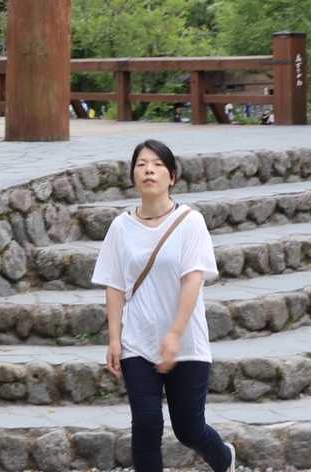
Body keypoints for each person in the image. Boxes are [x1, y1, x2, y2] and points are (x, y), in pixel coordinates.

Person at [94, 140, 235, 472]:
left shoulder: (190, 222)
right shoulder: (120, 227)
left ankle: (224, 458)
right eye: (141, 164)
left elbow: (193, 280)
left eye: (157, 165)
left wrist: (174, 334)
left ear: (171, 176)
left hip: (185, 343)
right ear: (133, 175)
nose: (149, 170)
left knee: (188, 429)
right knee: (146, 422)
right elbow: (114, 285)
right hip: (138, 341)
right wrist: (114, 338)